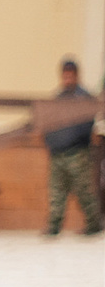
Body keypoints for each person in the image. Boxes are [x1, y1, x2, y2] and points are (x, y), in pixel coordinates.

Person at [46, 56, 101, 237]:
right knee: (56, 193)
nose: (67, 79)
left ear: (76, 75)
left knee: (84, 191)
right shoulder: (58, 98)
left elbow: (85, 126)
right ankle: (53, 227)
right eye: (65, 75)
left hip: (77, 153)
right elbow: (49, 124)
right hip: (58, 154)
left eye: (70, 75)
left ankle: (94, 225)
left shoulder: (84, 98)